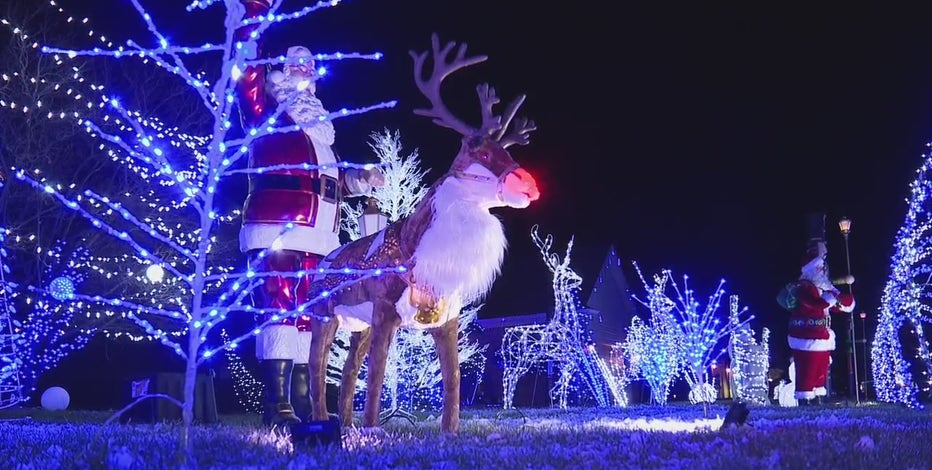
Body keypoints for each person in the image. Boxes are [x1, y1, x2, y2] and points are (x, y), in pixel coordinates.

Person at [234, 0, 383, 426]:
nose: (304, 70)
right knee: (279, 309)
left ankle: (303, 403)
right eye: (296, 64)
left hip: (320, 237)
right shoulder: (266, 112)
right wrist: (252, 16)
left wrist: (358, 179)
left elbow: (326, 181)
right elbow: (245, 70)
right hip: (278, 228)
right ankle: (276, 403)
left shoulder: (320, 132)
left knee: (309, 318)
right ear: (283, 72)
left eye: (310, 65)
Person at [786, 241, 855, 403]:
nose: (822, 271)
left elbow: (835, 302)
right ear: (810, 269)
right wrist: (828, 300)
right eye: (818, 268)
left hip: (822, 335)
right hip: (804, 336)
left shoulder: (824, 287)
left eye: (822, 268)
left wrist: (844, 302)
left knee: (821, 367)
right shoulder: (803, 286)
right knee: (806, 368)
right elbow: (812, 303)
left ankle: (818, 397)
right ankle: (804, 399)